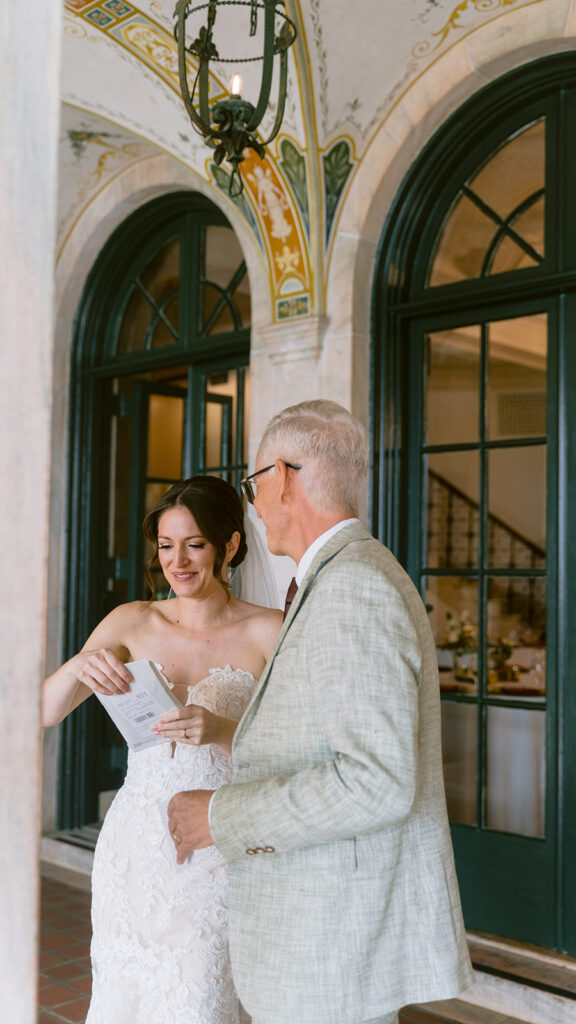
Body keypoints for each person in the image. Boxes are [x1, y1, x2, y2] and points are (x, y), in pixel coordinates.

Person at [168, 400, 475, 1024]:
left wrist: (220, 815)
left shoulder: (354, 587)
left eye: (254, 482)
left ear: (281, 478)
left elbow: (376, 782)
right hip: (323, 934)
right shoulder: (340, 577)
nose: (252, 501)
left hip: (332, 946)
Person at [42, 475, 283, 1024]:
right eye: (167, 546)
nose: (178, 562)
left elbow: (301, 745)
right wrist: (77, 667)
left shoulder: (268, 631)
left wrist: (222, 729)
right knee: (124, 994)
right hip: (135, 845)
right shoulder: (132, 621)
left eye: (195, 544)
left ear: (230, 546)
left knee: (197, 1000)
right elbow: (43, 710)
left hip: (218, 846)